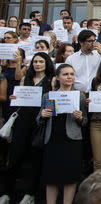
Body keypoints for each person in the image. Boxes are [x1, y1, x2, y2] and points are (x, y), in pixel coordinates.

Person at [0, 53, 54, 204]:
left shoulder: (51, 80)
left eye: (41, 61)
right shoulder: (26, 78)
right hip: (22, 120)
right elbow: (20, 98)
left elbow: (52, 100)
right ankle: (6, 193)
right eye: (35, 62)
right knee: (15, 157)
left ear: (46, 63)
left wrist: (48, 114)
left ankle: (30, 194)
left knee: (36, 159)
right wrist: (15, 98)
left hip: (39, 121)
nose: (37, 64)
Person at [38, 64, 88, 204]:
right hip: (53, 139)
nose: (69, 77)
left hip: (72, 140)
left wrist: (79, 118)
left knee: (70, 177)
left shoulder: (79, 96)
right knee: (51, 176)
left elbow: (85, 122)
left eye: (71, 74)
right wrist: (42, 115)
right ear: (57, 77)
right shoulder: (49, 96)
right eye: (65, 74)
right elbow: (38, 120)